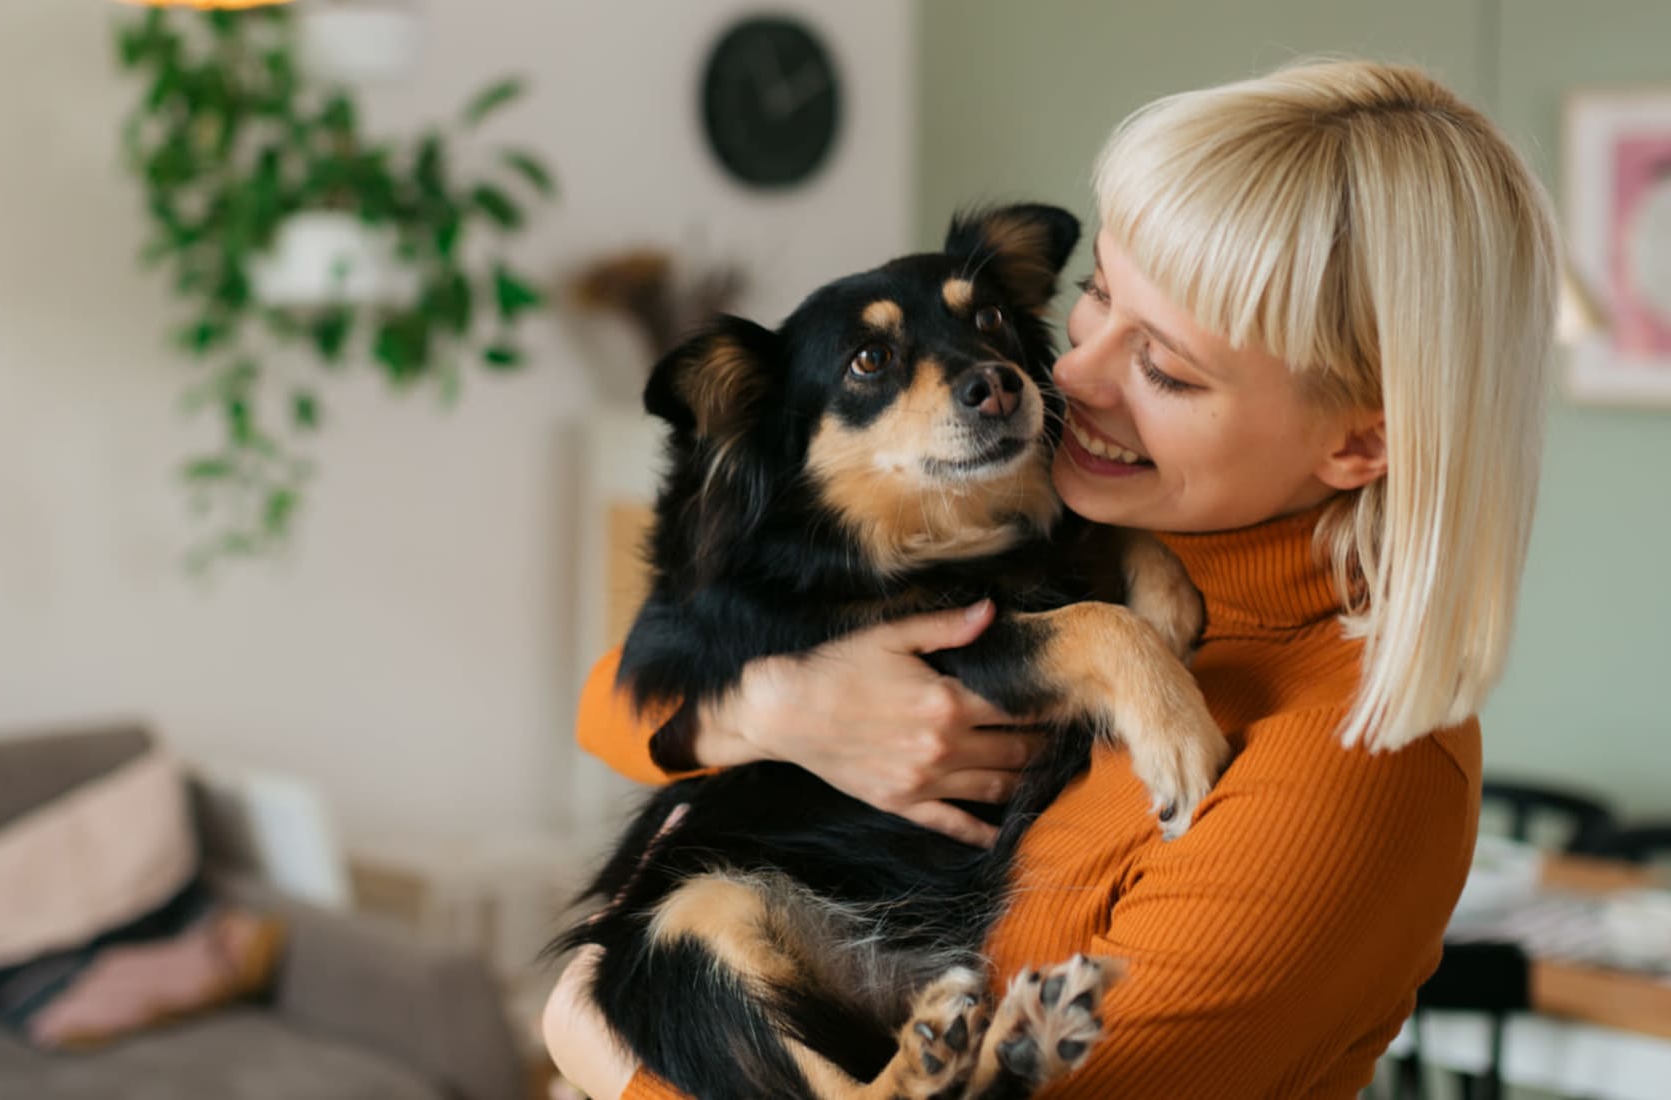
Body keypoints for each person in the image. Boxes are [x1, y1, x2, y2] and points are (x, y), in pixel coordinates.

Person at [544, 57, 1559, 1100]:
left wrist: (601, 1055)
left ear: (1355, 443)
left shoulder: (1349, 772)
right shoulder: (1072, 537)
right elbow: (614, 696)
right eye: (1095, 297)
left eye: (1164, 366)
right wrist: (781, 708)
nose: (1062, 376)